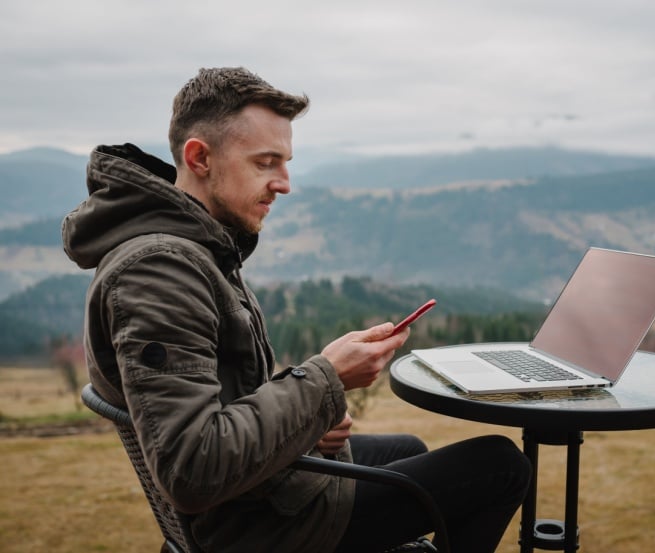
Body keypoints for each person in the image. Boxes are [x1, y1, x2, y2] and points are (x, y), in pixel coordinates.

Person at [62, 66, 530, 553]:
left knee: (407, 448)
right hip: (256, 526)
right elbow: (192, 467)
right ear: (200, 157)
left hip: (258, 492)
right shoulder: (158, 273)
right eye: (265, 163)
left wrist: (312, 420)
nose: (283, 184)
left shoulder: (194, 245)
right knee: (500, 465)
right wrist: (325, 381)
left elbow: (224, 397)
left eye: (285, 163)